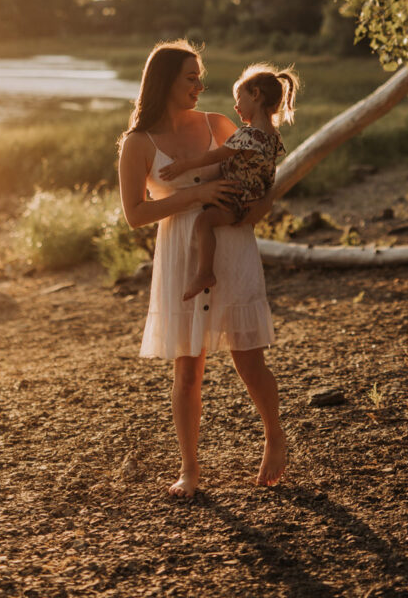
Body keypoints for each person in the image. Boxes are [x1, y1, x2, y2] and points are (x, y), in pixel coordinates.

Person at [118, 40, 286, 498]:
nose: (200, 85)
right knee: (188, 370)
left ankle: (274, 437)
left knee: (248, 359)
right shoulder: (137, 143)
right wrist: (195, 196)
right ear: (166, 80)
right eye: (191, 77)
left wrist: (259, 208)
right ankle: (190, 469)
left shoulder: (218, 124)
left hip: (230, 244)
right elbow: (135, 213)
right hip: (181, 253)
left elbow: (260, 176)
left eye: (200, 77)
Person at [159, 64, 299, 302]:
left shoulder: (247, 135)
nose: (236, 107)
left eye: (239, 99)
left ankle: (204, 273)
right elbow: (268, 173)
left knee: (204, 222)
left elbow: (212, 157)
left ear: (255, 95)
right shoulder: (274, 137)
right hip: (251, 201)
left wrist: (183, 165)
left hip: (234, 197)